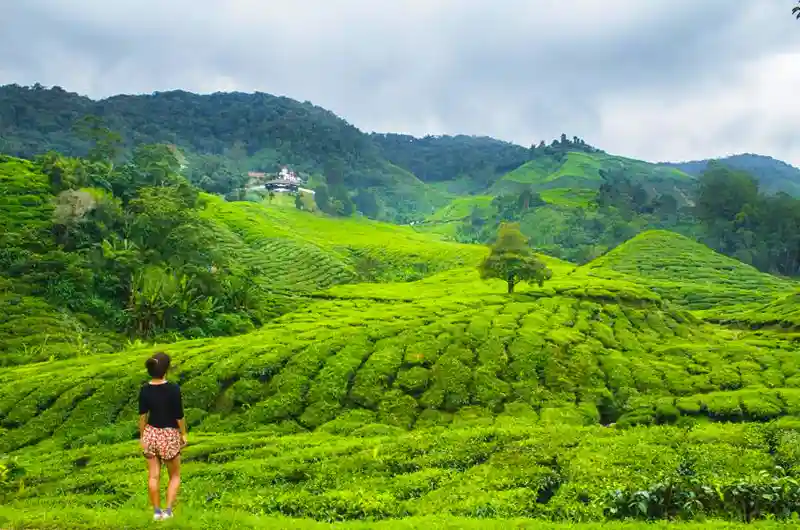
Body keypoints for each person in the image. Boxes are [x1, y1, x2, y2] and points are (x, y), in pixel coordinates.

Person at [138, 351, 187, 521]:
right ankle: (168, 511)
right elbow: (179, 416)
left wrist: (142, 438)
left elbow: (142, 417)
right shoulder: (173, 389)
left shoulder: (144, 390)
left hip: (151, 434)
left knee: (153, 476)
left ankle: (156, 512)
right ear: (166, 369)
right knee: (174, 475)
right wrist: (184, 434)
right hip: (169, 435)